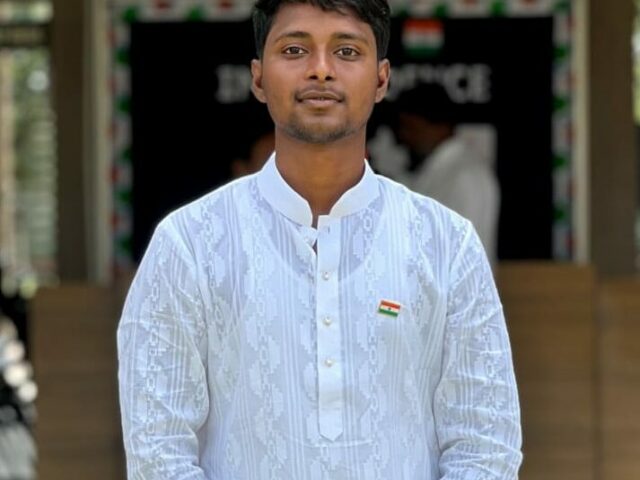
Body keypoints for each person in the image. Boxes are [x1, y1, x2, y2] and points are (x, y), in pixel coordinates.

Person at [117, 1, 522, 478]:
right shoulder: (189, 244)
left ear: (381, 79)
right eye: (295, 50)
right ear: (258, 78)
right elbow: (158, 452)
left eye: (347, 51)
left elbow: (485, 445)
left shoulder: (447, 245)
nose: (321, 70)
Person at [390, 83, 501, 263]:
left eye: (411, 128)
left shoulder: (466, 174)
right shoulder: (433, 170)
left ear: (440, 126)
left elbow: (459, 253)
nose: (404, 136)